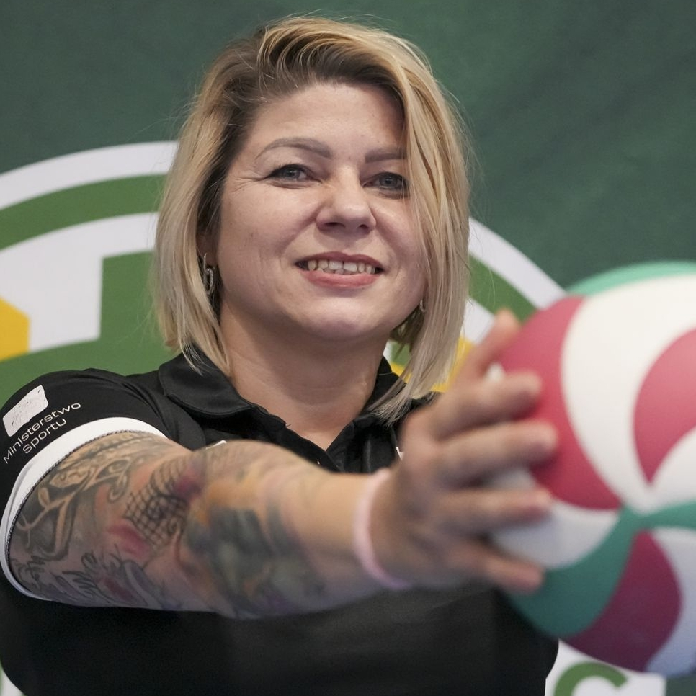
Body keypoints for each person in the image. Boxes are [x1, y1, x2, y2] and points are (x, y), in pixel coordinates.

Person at [0, 16, 558, 696]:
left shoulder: (503, 461)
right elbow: (184, 521)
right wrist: (382, 525)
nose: (351, 209)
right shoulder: (76, 414)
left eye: (392, 181)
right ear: (204, 224)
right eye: (294, 171)